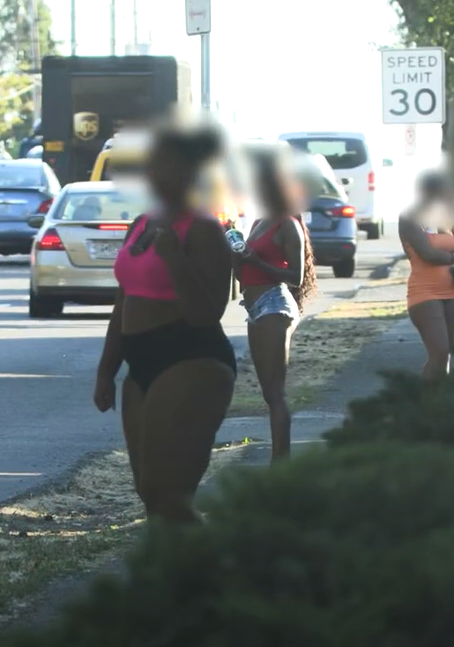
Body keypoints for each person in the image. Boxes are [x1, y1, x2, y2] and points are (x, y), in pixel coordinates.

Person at [93, 125, 237, 524]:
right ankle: (176, 577)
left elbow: (208, 313)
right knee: (149, 493)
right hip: (140, 365)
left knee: (170, 493)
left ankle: (214, 569)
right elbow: (123, 300)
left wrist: (175, 259)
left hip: (191, 359)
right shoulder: (141, 223)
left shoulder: (205, 229)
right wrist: (106, 371)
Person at [234, 150, 318, 463]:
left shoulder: (287, 224)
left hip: (275, 304)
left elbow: (294, 277)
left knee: (276, 392)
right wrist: (238, 258)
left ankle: (281, 462)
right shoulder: (259, 221)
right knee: (268, 394)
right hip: (254, 307)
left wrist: (255, 260)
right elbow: (243, 273)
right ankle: (278, 458)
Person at [398, 172, 454, 379]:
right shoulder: (409, 218)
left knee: (446, 354)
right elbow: (428, 255)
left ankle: (441, 401)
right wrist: (453, 256)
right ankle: (425, 402)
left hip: (453, 290)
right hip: (425, 292)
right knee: (438, 352)